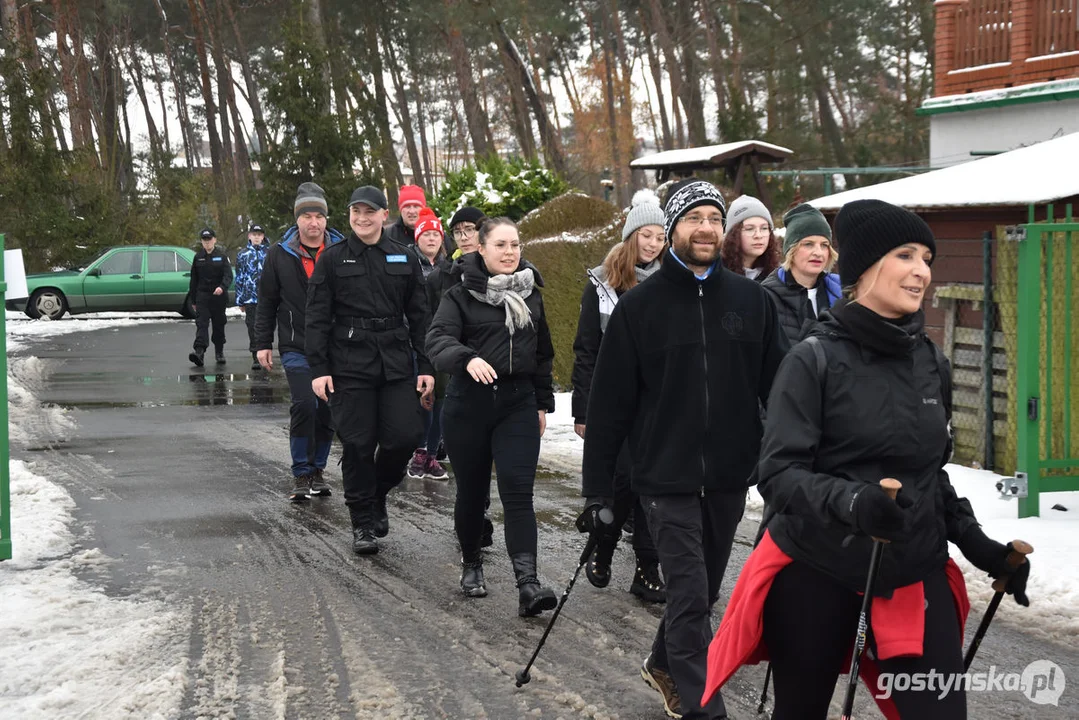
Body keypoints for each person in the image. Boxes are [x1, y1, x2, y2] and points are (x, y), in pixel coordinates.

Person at [702, 199, 1031, 720]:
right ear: (863, 268)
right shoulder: (813, 360)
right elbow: (779, 476)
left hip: (912, 568)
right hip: (817, 568)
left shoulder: (931, 362)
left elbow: (928, 473)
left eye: (927, 257)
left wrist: (978, 545)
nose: (922, 271)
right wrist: (854, 501)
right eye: (906, 255)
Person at [580, 178, 788, 720]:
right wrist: (598, 491)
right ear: (672, 229)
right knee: (691, 595)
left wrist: (791, 464)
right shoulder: (638, 308)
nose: (706, 228)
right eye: (693, 218)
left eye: (714, 219)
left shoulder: (751, 302)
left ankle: (662, 662)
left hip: (727, 475)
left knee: (704, 592)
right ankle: (704, 709)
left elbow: (783, 391)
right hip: (663, 476)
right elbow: (609, 409)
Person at [425, 217, 558, 617]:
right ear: (480, 249)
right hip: (469, 406)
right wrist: (467, 358)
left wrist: (541, 403)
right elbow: (437, 340)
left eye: (515, 245)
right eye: (500, 245)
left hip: (517, 403)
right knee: (472, 492)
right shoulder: (458, 294)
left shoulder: (531, 293)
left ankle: (528, 584)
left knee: (519, 493)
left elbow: (543, 354)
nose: (509, 252)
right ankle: (471, 564)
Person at [306, 185, 434, 555]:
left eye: (369, 211)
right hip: (348, 363)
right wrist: (319, 368)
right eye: (355, 212)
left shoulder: (403, 258)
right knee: (359, 444)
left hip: (395, 362)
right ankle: (362, 521)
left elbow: (420, 317)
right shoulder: (332, 259)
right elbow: (316, 317)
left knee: (405, 437)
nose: (362, 218)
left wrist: (425, 364)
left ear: (383, 215)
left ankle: (377, 493)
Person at [571, 189, 667, 604]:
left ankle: (646, 568)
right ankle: (604, 547)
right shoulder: (602, 284)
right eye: (646, 234)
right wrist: (582, 410)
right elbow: (586, 349)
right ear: (631, 236)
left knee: (654, 487)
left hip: (657, 406)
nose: (653, 244)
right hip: (613, 405)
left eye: (661, 236)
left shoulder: (670, 283)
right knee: (622, 484)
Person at [255, 182, 344, 502]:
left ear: (326, 217)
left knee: (327, 410)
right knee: (305, 403)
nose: (313, 222)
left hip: (334, 347)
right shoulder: (279, 254)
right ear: (297, 220)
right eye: (306, 215)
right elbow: (266, 300)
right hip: (296, 343)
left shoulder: (341, 250)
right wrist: (262, 342)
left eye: (318, 215)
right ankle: (300, 473)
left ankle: (318, 470)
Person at [426, 206, 496, 545]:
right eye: (458, 230)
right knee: (465, 456)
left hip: (495, 376)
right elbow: (430, 328)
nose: (465, 236)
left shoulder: (502, 270)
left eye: (471, 229)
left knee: (488, 454)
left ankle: (477, 512)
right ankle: (471, 518)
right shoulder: (443, 275)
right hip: (456, 374)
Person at [406, 207, 449, 481]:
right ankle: (419, 450)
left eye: (436, 234)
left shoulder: (449, 268)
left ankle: (432, 454)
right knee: (423, 398)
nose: (431, 239)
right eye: (426, 234)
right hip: (415, 342)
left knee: (441, 400)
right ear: (417, 237)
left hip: (444, 342)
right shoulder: (408, 263)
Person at [760, 203, 842, 345]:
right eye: (808, 244)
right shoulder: (766, 297)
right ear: (791, 249)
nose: (818, 252)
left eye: (824, 245)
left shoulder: (841, 291)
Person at [188, 228, 233, 367]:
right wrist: (193, 300)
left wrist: (222, 287)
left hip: (218, 297)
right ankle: (199, 353)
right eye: (204, 240)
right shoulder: (198, 257)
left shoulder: (222, 256)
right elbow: (194, 280)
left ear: (214, 240)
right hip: (203, 297)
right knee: (201, 324)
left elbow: (228, 275)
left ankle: (219, 352)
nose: (207, 243)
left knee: (219, 325)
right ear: (202, 241)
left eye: (209, 240)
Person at [720, 195, 779, 282]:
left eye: (764, 228)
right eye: (749, 229)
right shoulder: (716, 273)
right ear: (733, 235)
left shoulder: (778, 276)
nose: (758, 235)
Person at [235, 223, 269, 370]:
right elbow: (239, 277)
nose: (256, 237)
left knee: (266, 326)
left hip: (267, 297)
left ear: (263, 237)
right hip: (250, 298)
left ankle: (265, 353)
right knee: (252, 326)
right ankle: (255, 355)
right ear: (249, 236)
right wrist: (240, 299)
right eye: (254, 234)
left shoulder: (270, 253)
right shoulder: (243, 255)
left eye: (259, 235)